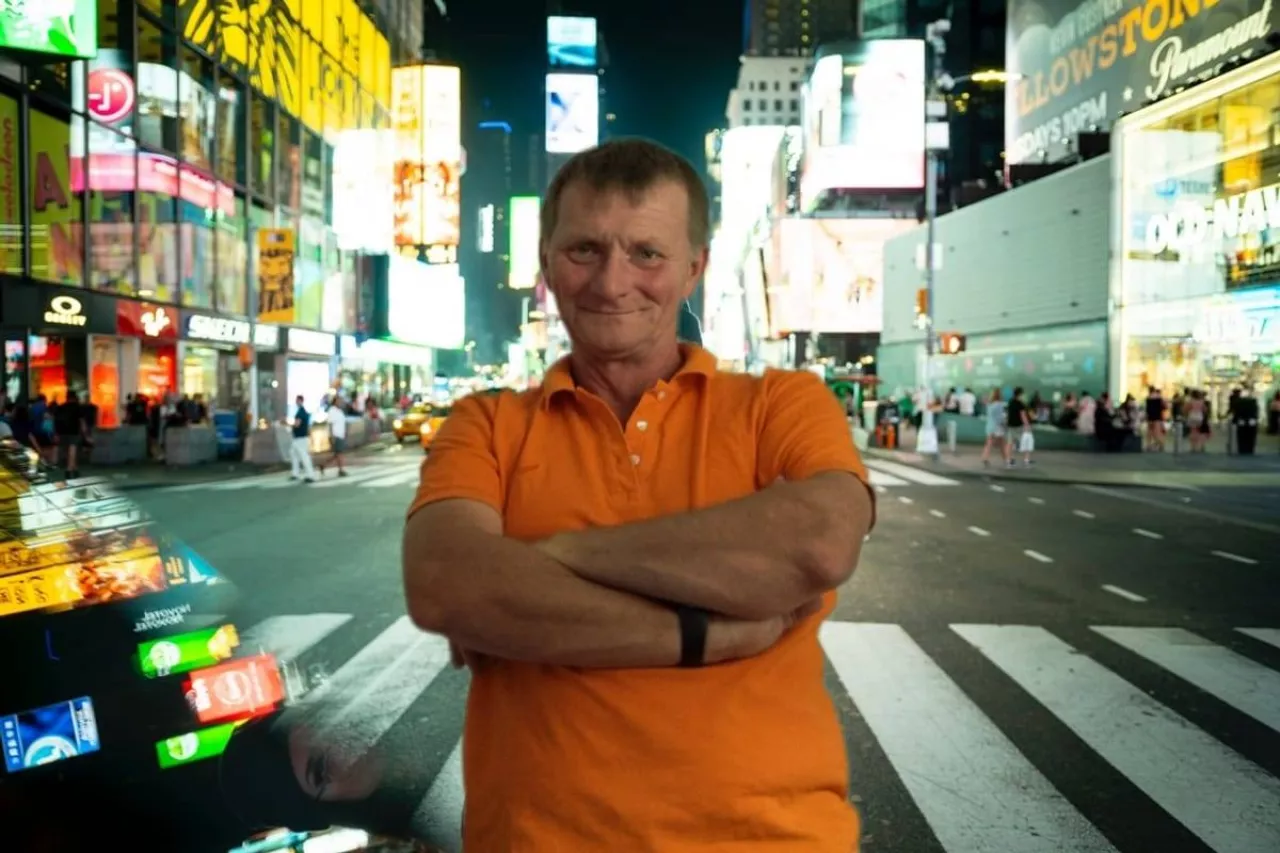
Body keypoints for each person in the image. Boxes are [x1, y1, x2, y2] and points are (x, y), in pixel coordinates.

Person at [401, 138, 877, 851]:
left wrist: (543, 559)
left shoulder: (782, 403)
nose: (612, 282)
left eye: (647, 253)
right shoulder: (486, 424)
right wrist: (708, 633)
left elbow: (821, 542)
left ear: (694, 268)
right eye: (584, 250)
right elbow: (445, 582)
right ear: (546, 264)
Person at [289, 394, 317, 483]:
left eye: (298, 400)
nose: (296, 402)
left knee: (303, 456)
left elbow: (297, 424)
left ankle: (310, 475)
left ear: (301, 401)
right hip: (300, 437)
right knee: (294, 454)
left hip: (300, 437)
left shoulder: (300, 412)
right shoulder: (303, 412)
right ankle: (295, 473)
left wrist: (286, 423)